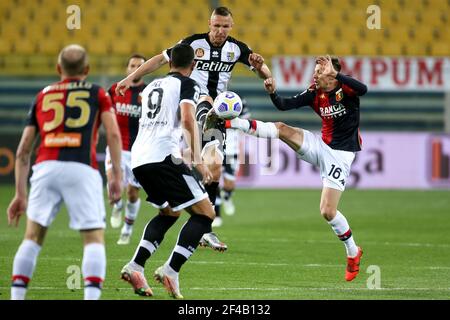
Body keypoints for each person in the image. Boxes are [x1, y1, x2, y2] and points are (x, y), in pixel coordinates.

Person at [115, 6, 272, 251]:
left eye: (225, 26)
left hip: (216, 112)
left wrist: (265, 74)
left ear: (231, 27)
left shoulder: (237, 49)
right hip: (194, 102)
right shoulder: (193, 44)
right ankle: (189, 167)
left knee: (216, 167)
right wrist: (130, 78)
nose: (220, 31)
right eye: (216, 25)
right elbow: (159, 59)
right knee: (206, 107)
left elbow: (263, 70)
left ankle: (204, 227)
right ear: (210, 24)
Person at [210, 56, 366, 281]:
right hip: (320, 146)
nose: (314, 75)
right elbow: (284, 105)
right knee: (282, 129)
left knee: (327, 211)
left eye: (320, 72)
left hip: (340, 156)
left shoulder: (346, 88)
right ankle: (228, 123)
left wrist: (336, 74)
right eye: (315, 71)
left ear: (332, 74)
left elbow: (364, 89)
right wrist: (273, 92)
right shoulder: (314, 92)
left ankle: (353, 251)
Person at [6, 44, 123, 300]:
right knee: (93, 239)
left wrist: (20, 194)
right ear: (87, 70)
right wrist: (116, 176)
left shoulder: (43, 96)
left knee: (32, 238)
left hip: (45, 168)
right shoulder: (98, 93)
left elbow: (24, 150)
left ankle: (16, 297)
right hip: (82, 169)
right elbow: (113, 134)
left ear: (59, 69)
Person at [120, 43, 215, 299]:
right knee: (205, 214)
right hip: (163, 156)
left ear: (170, 62)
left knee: (170, 212)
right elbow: (186, 119)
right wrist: (197, 159)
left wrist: (130, 78)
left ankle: (136, 266)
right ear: (193, 66)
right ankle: (171, 270)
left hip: (139, 158)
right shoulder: (188, 84)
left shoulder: (151, 86)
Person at [106, 54, 146, 245]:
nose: (136, 68)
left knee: (132, 193)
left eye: (140, 65)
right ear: (127, 68)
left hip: (138, 151)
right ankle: (116, 205)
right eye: (133, 65)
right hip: (116, 146)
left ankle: (127, 229)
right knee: (113, 185)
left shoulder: (149, 93)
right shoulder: (114, 89)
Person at [212, 99, 251, 227]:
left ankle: (227, 196)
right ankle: (217, 215)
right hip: (216, 149)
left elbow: (247, 123)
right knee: (214, 182)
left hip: (232, 150)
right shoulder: (214, 100)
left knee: (229, 185)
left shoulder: (239, 102)